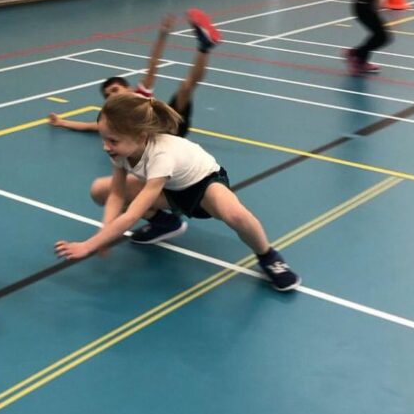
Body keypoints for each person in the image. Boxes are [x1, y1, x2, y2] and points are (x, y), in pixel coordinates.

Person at [54, 93, 301, 292]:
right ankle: (165, 223)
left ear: (140, 137)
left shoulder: (161, 155)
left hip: (203, 185)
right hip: (170, 189)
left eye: (113, 141)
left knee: (235, 215)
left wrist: (89, 245)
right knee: (100, 190)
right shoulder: (121, 153)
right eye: (104, 139)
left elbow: (130, 215)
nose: (105, 146)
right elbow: (116, 195)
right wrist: (104, 231)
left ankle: (268, 256)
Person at [49, 9, 220, 244]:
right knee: (108, 190)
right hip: (151, 147)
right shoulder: (114, 125)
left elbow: (153, 63)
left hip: (165, 129)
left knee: (186, 87)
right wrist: (62, 122)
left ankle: (204, 47)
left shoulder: (141, 93)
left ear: (128, 90)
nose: (111, 95)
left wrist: (162, 36)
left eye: (116, 90)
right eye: (108, 94)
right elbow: (91, 126)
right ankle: (163, 220)